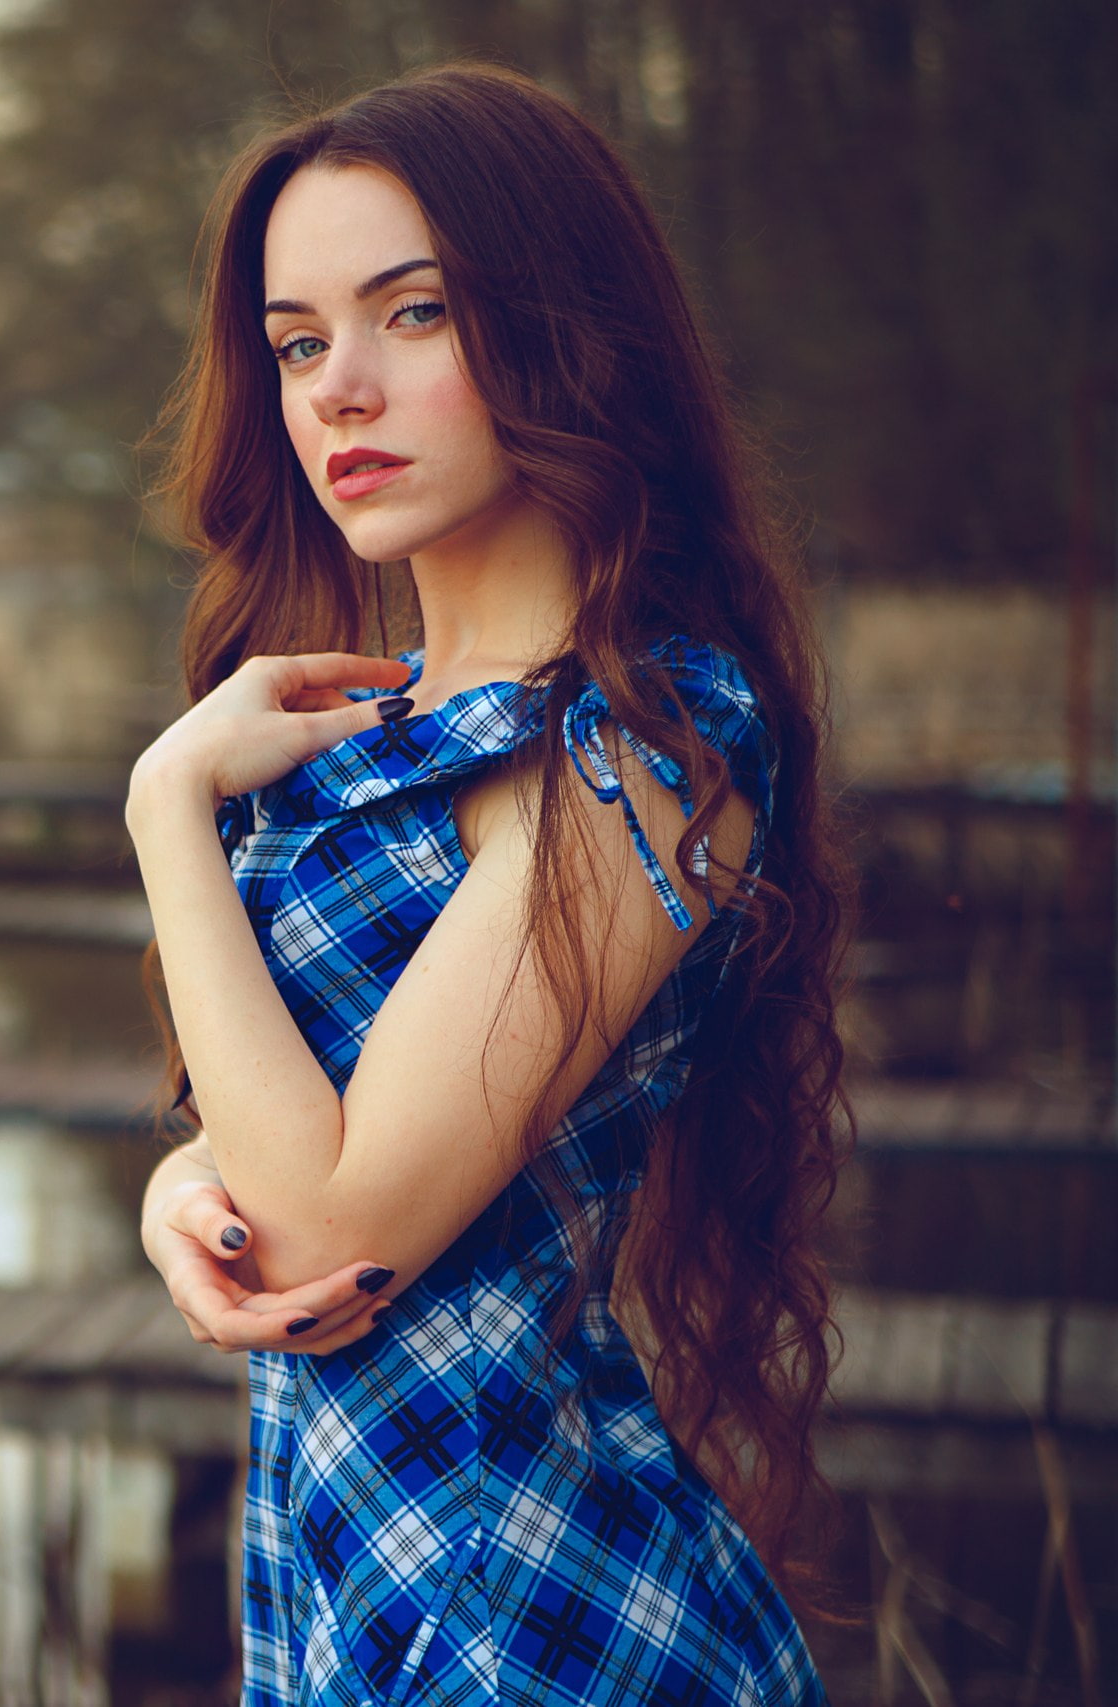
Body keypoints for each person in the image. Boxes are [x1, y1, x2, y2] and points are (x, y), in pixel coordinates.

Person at [127, 62, 855, 1704]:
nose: (338, 392)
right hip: (347, 1567)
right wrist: (181, 1195)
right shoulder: (372, 723)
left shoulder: (649, 741)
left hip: (525, 1603)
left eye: (416, 315)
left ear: (561, 333)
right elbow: (288, 1139)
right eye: (300, 343)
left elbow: (340, 1211)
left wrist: (168, 803)